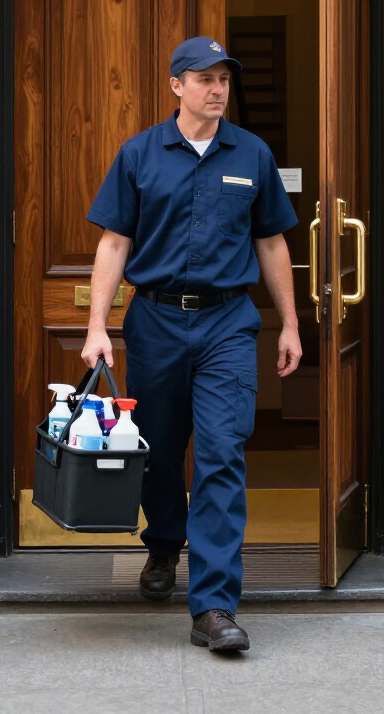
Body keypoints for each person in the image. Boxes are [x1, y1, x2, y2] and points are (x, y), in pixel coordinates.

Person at [82, 35, 301, 653]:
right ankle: (163, 547)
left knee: (222, 455)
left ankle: (213, 606)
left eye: (224, 79)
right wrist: (98, 327)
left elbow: (272, 245)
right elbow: (114, 245)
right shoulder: (139, 155)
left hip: (227, 324)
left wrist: (289, 323)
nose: (217, 88)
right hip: (154, 322)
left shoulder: (252, 155)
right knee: (158, 450)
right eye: (204, 78)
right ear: (176, 86)